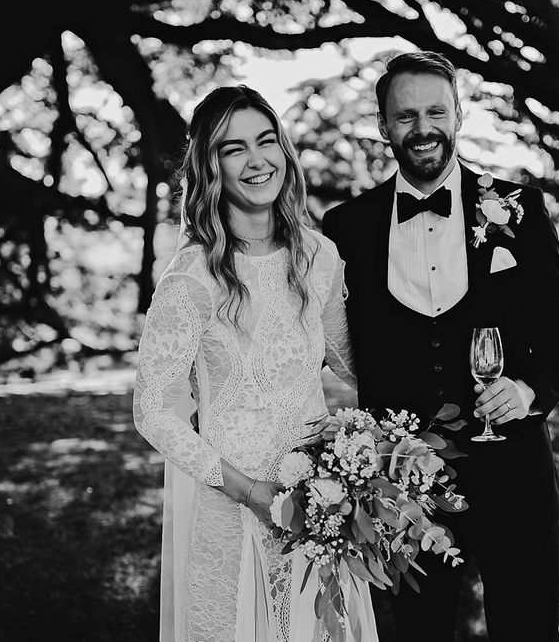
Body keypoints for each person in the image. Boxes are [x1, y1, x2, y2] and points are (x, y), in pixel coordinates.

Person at [323, 51, 559, 641]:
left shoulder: (518, 210)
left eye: (436, 111)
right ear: (384, 127)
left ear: (459, 114)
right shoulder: (346, 229)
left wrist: (526, 389)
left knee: (527, 627)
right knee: (420, 631)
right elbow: (308, 335)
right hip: (403, 482)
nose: (423, 129)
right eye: (406, 116)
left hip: (514, 471)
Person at [133, 85, 378, 642]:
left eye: (265, 141)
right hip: (232, 507)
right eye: (233, 148)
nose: (256, 159)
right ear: (210, 166)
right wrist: (247, 490)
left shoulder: (320, 258)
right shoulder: (191, 279)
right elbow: (153, 410)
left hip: (318, 507)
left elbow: (353, 363)